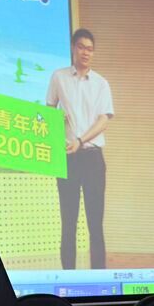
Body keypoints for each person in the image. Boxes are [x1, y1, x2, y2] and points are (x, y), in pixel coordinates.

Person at [47, 28, 114, 270]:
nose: (86, 52)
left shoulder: (101, 83)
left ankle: (99, 277)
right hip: (67, 158)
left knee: (95, 223)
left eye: (90, 49)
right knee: (68, 222)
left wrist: (80, 140)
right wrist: (57, 119)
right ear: (73, 48)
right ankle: (68, 277)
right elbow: (48, 110)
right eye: (81, 47)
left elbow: (104, 120)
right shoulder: (59, 77)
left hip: (93, 158)